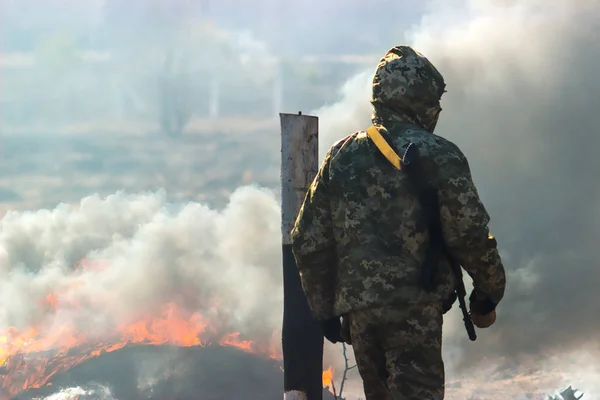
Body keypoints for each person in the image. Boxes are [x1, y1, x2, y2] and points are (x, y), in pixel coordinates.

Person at [290, 45, 506, 400]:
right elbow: (470, 235)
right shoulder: (440, 154)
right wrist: (489, 291)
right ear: (422, 99)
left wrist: (325, 309)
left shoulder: (340, 156)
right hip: (414, 312)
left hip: (360, 316)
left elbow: (307, 241)